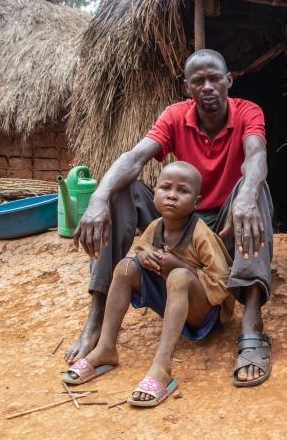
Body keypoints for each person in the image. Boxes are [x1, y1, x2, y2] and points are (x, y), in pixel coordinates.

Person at [69, 49, 274, 387]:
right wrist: (98, 198)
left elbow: (255, 155)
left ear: (229, 81)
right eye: (198, 81)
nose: (207, 86)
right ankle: (98, 314)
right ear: (187, 88)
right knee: (121, 191)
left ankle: (251, 322)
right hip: (182, 215)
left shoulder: (247, 111)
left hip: (225, 222)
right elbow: (135, 158)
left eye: (214, 78)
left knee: (255, 189)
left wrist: (247, 196)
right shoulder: (175, 115)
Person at [62, 162, 234, 406]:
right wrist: (143, 256)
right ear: (155, 193)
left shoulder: (200, 233)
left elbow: (222, 282)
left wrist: (180, 266)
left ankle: (162, 367)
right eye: (165, 187)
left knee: (178, 277)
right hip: (173, 304)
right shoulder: (156, 227)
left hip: (204, 316)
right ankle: (105, 348)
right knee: (124, 267)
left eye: (182, 191)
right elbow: (142, 248)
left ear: (196, 202)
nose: (172, 195)